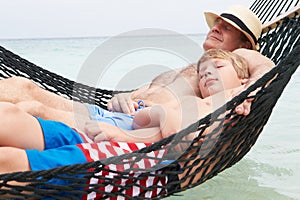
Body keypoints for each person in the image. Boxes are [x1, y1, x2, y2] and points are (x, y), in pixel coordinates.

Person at [0, 5, 274, 131]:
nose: (216, 27)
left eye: (228, 28)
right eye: (217, 23)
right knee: (22, 87)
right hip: (113, 112)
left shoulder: (239, 59)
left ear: (243, 44)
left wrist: (249, 92)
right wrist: (121, 99)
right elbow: (137, 95)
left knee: (32, 109)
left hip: (133, 128)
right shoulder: (195, 66)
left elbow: (268, 66)